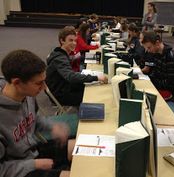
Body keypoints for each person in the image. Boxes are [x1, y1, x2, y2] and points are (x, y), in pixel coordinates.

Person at [0, 49, 75, 177]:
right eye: (39, 83)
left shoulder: (27, 94)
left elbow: (34, 117)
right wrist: (33, 165)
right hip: (16, 168)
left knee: (79, 146)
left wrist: (51, 126)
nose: (44, 87)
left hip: (32, 151)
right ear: (17, 82)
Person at [46, 26, 107, 106]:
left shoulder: (61, 54)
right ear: (62, 40)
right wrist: (96, 77)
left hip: (64, 86)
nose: (74, 43)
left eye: (75, 41)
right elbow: (70, 76)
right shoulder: (60, 58)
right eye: (70, 40)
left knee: (89, 86)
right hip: (60, 94)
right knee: (91, 96)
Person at [140, 31, 174, 101]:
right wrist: (149, 79)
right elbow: (155, 72)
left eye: (149, 47)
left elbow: (170, 84)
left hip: (169, 92)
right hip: (159, 86)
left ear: (157, 43)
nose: (148, 51)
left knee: (141, 96)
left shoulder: (171, 57)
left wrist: (151, 81)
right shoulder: (156, 53)